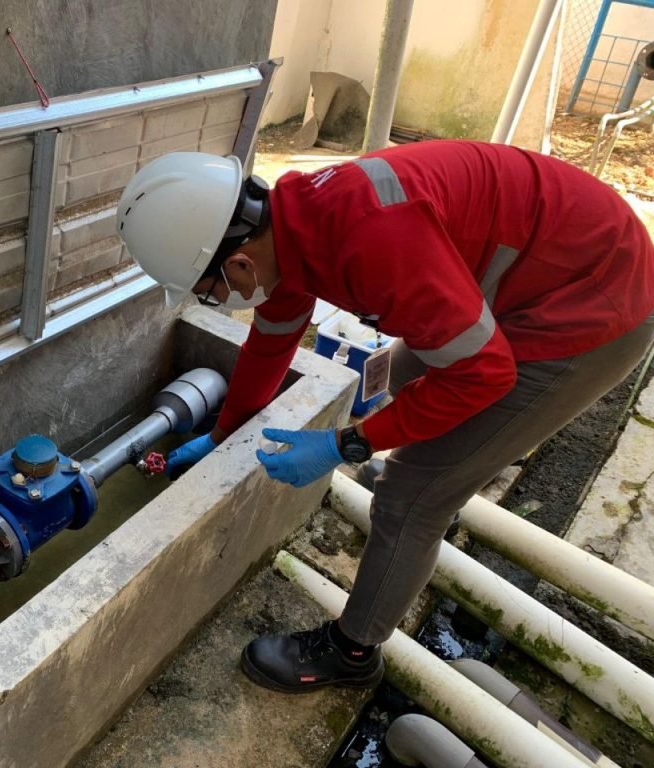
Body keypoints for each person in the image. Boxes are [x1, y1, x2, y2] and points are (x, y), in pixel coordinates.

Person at [115, 141, 654, 693]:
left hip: (592, 305)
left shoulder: (373, 245)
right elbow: (270, 344)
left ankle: (353, 651)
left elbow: (483, 374)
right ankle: (444, 473)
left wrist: (347, 444)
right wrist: (222, 433)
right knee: (402, 370)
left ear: (238, 263)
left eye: (208, 293)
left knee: (410, 496)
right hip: (542, 268)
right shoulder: (289, 231)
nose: (215, 300)